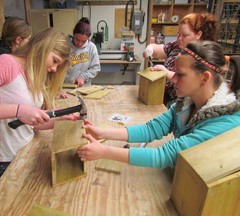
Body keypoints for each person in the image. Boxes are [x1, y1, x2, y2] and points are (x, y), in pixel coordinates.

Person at [77, 40, 240, 169]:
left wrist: (104, 151)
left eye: (180, 74)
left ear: (204, 78)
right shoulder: (187, 102)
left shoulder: (224, 122)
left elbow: (166, 155)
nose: (172, 78)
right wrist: (102, 133)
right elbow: (152, 129)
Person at [0, 28, 77, 192]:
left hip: (25, 153)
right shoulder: (5, 64)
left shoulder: (35, 73)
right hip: (2, 162)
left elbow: (30, 123)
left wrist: (55, 120)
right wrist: (18, 110)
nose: (54, 69)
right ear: (42, 47)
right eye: (54, 60)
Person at [143, 13, 218, 107]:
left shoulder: (204, 55)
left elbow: (191, 82)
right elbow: (157, 49)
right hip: (163, 100)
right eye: (178, 34)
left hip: (183, 105)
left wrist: (166, 73)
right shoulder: (177, 46)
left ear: (198, 34)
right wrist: (150, 49)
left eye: (184, 35)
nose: (179, 39)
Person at [64, 17, 100, 87]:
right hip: (65, 86)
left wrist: (83, 77)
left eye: (83, 41)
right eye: (77, 39)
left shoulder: (91, 47)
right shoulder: (65, 45)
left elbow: (95, 68)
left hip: (84, 87)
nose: (80, 44)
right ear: (73, 34)